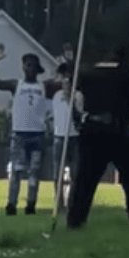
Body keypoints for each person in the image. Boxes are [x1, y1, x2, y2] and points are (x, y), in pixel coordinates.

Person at [66, 47, 129, 229]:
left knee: (84, 180)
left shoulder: (88, 75)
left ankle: (75, 220)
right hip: (118, 130)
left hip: (92, 129)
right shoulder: (125, 75)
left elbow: (72, 88)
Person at [0, 44, 63, 216]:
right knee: (16, 171)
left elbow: (66, 84)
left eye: (32, 65)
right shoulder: (16, 85)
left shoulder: (44, 87)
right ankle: (11, 204)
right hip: (19, 134)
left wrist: (67, 63)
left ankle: (31, 205)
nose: (28, 68)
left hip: (37, 134)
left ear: (37, 69)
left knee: (34, 171)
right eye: (26, 64)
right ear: (23, 67)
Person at [49, 62, 83, 211]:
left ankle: (73, 202)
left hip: (74, 137)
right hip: (59, 136)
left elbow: (78, 116)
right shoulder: (56, 96)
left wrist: (70, 100)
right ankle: (59, 202)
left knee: (75, 172)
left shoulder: (78, 96)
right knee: (58, 172)